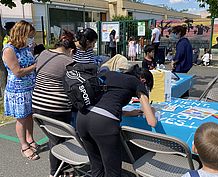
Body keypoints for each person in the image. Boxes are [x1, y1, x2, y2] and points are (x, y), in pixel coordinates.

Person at [76, 64, 157, 177]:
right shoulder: (136, 82)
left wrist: (127, 113)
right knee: (112, 171)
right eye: (147, 87)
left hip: (82, 118)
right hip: (103, 124)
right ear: (143, 80)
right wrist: (152, 110)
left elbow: (104, 102)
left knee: (96, 166)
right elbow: (151, 122)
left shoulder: (110, 74)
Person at [32, 30, 76, 177]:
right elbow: (74, 84)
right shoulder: (68, 61)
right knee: (57, 139)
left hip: (37, 104)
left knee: (53, 136)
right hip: (56, 107)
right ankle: (56, 172)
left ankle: (61, 165)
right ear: (70, 50)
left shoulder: (43, 54)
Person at [2, 20, 38, 160]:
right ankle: (24, 145)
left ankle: (30, 139)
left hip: (30, 88)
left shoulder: (25, 47)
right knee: (22, 119)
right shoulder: (9, 49)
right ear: (21, 34)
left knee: (29, 116)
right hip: (18, 90)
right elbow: (18, 71)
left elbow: (28, 61)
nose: (31, 38)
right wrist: (35, 66)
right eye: (29, 35)